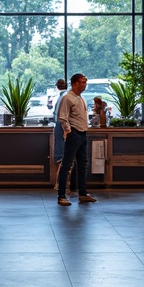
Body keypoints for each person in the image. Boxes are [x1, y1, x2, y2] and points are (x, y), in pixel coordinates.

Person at [57, 73, 95, 206]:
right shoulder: (68, 98)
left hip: (83, 133)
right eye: (82, 82)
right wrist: (69, 131)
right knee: (67, 164)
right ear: (75, 83)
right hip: (74, 133)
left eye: (85, 82)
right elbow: (62, 117)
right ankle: (61, 195)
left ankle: (83, 193)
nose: (84, 84)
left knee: (83, 164)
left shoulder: (81, 98)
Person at [50, 78, 76, 195]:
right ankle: (63, 184)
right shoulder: (66, 97)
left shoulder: (61, 97)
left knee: (62, 158)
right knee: (66, 158)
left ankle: (60, 183)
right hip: (64, 128)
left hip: (60, 127)